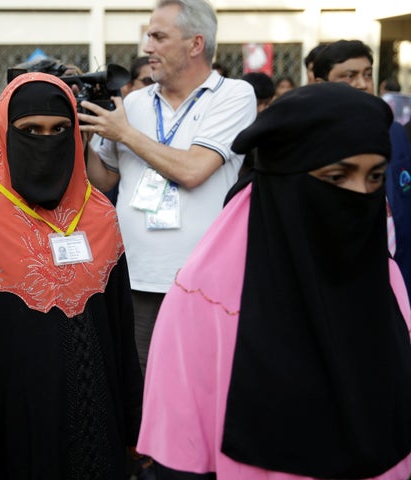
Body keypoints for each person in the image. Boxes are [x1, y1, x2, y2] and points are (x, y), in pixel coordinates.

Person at [138, 82, 411, 480]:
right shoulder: (206, 296)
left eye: (375, 177)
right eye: (336, 177)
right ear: (285, 177)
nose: (360, 195)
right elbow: (181, 456)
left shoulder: (383, 277)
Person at [0, 72, 143, 479]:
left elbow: (121, 332)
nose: (45, 140)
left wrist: (136, 424)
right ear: (6, 133)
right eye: (30, 130)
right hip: (19, 432)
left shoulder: (101, 215)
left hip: (99, 424)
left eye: (58, 130)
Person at [80, 0, 256, 375]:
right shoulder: (134, 102)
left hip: (202, 282)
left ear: (195, 44)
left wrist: (124, 132)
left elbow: (193, 169)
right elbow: (105, 179)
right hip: (134, 278)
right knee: (140, 394)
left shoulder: (233, 95)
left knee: (197, 387)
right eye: (148, 36)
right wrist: (79, 143)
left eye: (158, 36)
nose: (147, 47)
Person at [313, 39, 411, 304]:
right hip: (339, 281)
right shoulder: (310, 140)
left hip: (400, 278)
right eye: (349, 75)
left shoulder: (395, 132)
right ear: (322, 84)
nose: (362, 83)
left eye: (367, 74)